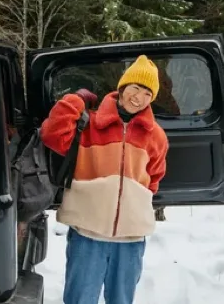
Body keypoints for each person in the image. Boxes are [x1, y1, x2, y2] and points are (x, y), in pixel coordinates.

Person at [40, 55, 169, 304]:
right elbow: (51, 134)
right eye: (135, 88)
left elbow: (154, 177)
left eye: (146, 93)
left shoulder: (156, 136)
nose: (138, 97)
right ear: (122, 87)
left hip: (131, 240)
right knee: (80, 300)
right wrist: (75, 100)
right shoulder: (89, 123)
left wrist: (136, 202)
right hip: (87, 234)